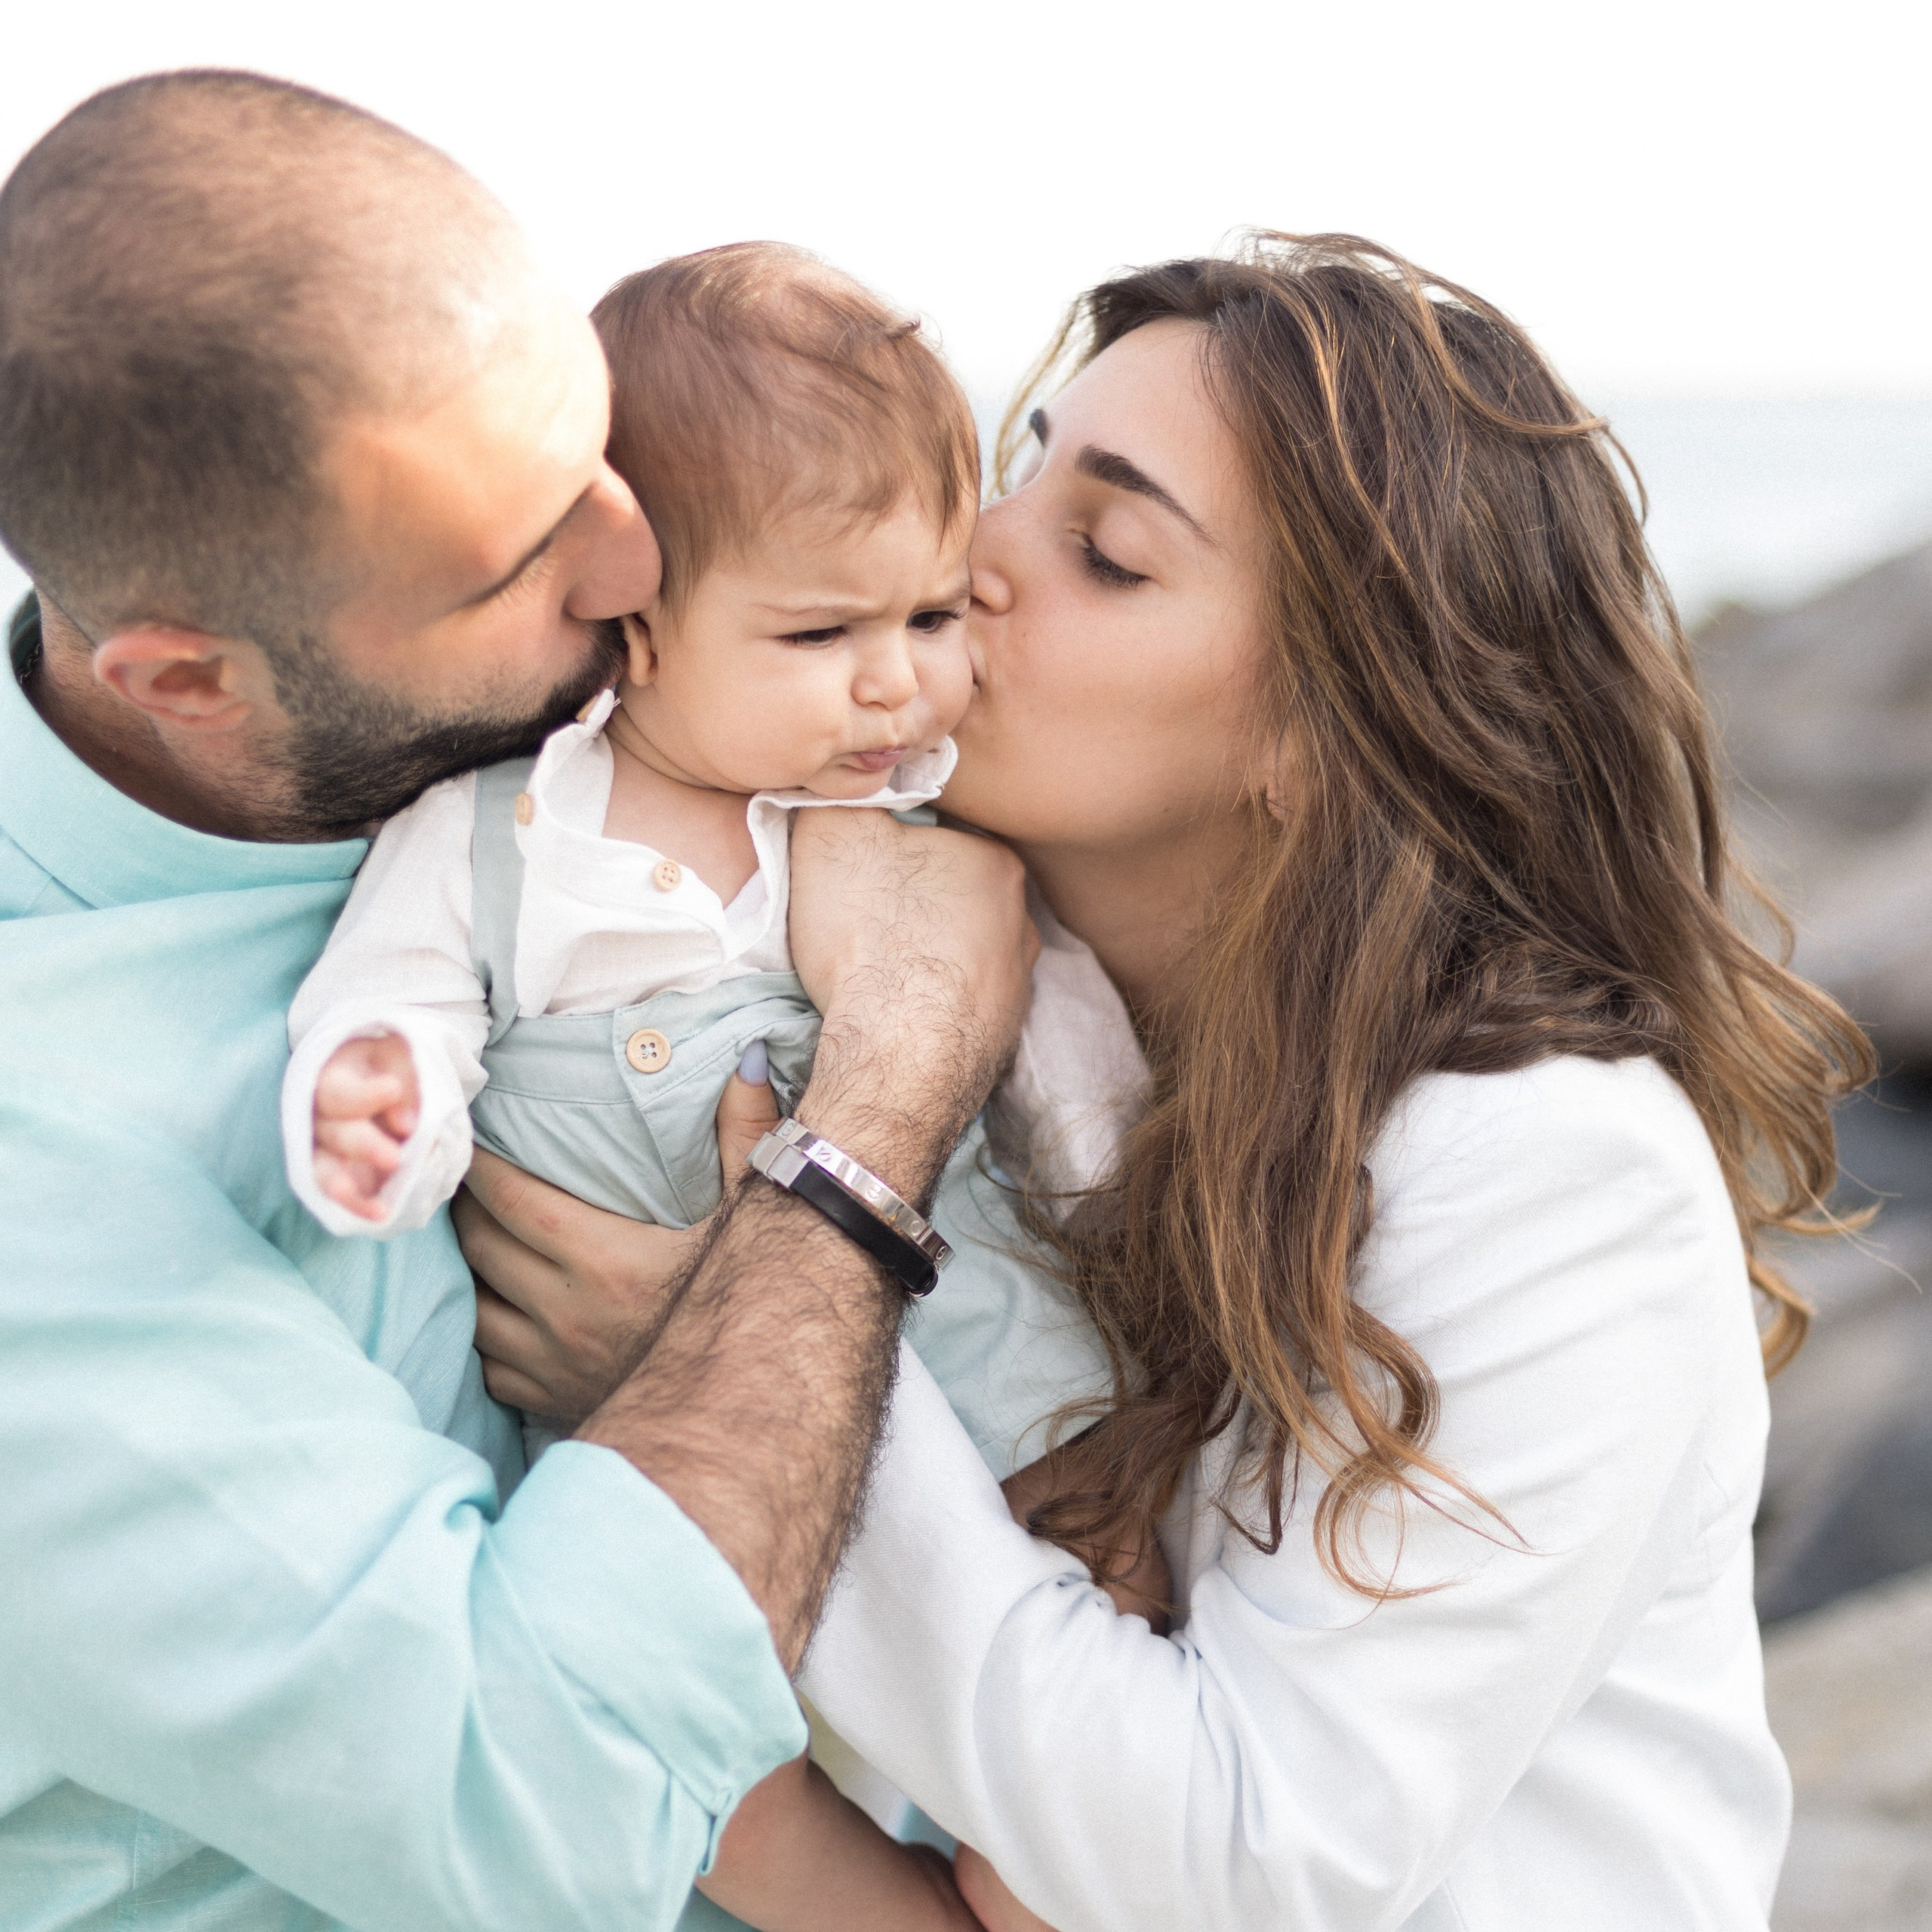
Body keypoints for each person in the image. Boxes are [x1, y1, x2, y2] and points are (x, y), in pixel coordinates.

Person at [469, 234, 1875, 1930]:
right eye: (1022, 466)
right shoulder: (1001, 1018)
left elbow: (1245, 1862)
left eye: (1107, 553)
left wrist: (729, 1368)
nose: (971, 553)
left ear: (1322, 732)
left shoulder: (1551, 1167)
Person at [0, 71, 1031, 1932]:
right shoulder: (45, 1153)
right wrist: (877, 1117)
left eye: (593, 448)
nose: (641, 561)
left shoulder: (642, 746)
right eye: (521, 556)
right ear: (190, 678)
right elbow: (548, 1812)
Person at [278, 238, 1143, 1932]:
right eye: (821, 630)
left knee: (1058, 1795)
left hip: (980, 1405)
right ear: (635, 628)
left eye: (930, 613)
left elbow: (1051, 1049)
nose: (895, 678)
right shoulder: (496, 832)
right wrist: (378, 1099)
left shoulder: (917, 828)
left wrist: (1121, 1209)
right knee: (688, 1762)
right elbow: (390, 1001)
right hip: (652, 1454)